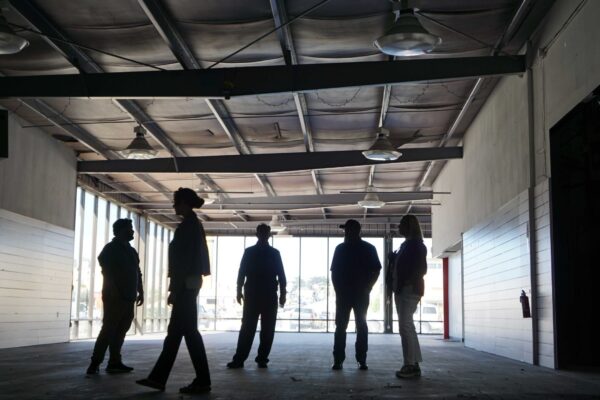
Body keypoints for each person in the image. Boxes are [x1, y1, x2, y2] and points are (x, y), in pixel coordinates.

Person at [136, 188, 211, 394]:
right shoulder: (193, 225)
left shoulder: (188, 226)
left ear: (185, 203)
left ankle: (201, 381)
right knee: (177, 334)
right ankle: (159, 378)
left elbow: (182, 262)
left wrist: (175, 289)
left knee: (188, 334)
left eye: (176, 202)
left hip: (185, 285)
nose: (173, 206)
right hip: (190, 284)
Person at [86, 218, 144, 375]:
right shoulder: (111, 249)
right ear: (120, 230)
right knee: (108, 330)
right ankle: (95, 363)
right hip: (115, 297)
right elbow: (105, 268)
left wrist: (141, 290)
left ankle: (114, 362)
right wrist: (114, 289)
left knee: (120, 331)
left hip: (128, 297)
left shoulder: (131, 251)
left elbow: (137, 272)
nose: (132, 231)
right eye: (129, 228)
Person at [227, 224, 287, 369]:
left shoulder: (250, 252)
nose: (263, 235)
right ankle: (260, 359)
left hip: (254, 294)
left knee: (250, 328)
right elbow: (281, 275)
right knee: (264, 329)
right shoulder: (274, 253)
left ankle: (241, 359)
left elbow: (242, 272)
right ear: (267, 235)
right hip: (266, 295)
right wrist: (282, 293)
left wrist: (239, 290)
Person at [330, 219, 381, 370]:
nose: (345, 232)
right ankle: (361, 360)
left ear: (354, 231)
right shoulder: (368, 248)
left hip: (346, 294)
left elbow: (334, 273)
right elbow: (377, 270)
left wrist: (338, 290)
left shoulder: (340, 248)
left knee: (341, 327)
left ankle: (339, 360)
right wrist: (368, 287)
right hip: (360, 294)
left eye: (347, 230)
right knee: (360, 326)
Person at [387, 214, 427, 379]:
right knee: (408, 326)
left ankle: (409, 365)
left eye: (402, 224)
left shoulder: (415, 245)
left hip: (408, 290)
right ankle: (414, 363)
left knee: (405, 327)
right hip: (404, 289)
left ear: (409, 227)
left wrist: (406, 283)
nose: (398, 227)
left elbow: (421, 269)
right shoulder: (407, 246)